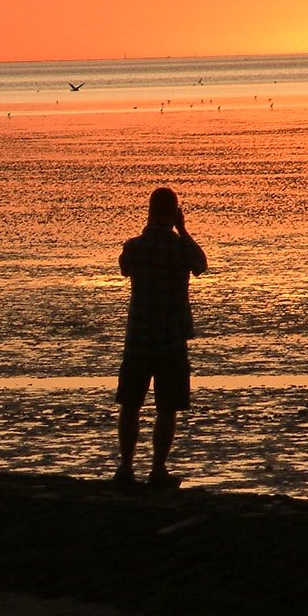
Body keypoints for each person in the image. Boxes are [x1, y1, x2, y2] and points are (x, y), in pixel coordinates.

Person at [114, 187, 207, 489]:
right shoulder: (181, 248)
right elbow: (201, 265)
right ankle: (157, 470)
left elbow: (124, 268)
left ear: (150, 211)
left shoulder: (134, 247)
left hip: (139, 336)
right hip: (171, 338)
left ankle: (126, 468)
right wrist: (184, 229)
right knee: (167, 408)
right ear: (174, 212)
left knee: (131, 404)